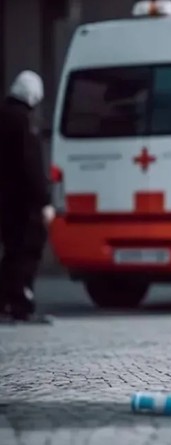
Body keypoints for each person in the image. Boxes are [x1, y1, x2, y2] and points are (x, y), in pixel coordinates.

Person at [0, 70, 55, 321]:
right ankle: (20, 303)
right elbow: (30, 165)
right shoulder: (23, 123)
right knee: (27, 252)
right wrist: (44, 201)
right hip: (23, 203)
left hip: (5, 201)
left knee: (12, 252)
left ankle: (5, 301)